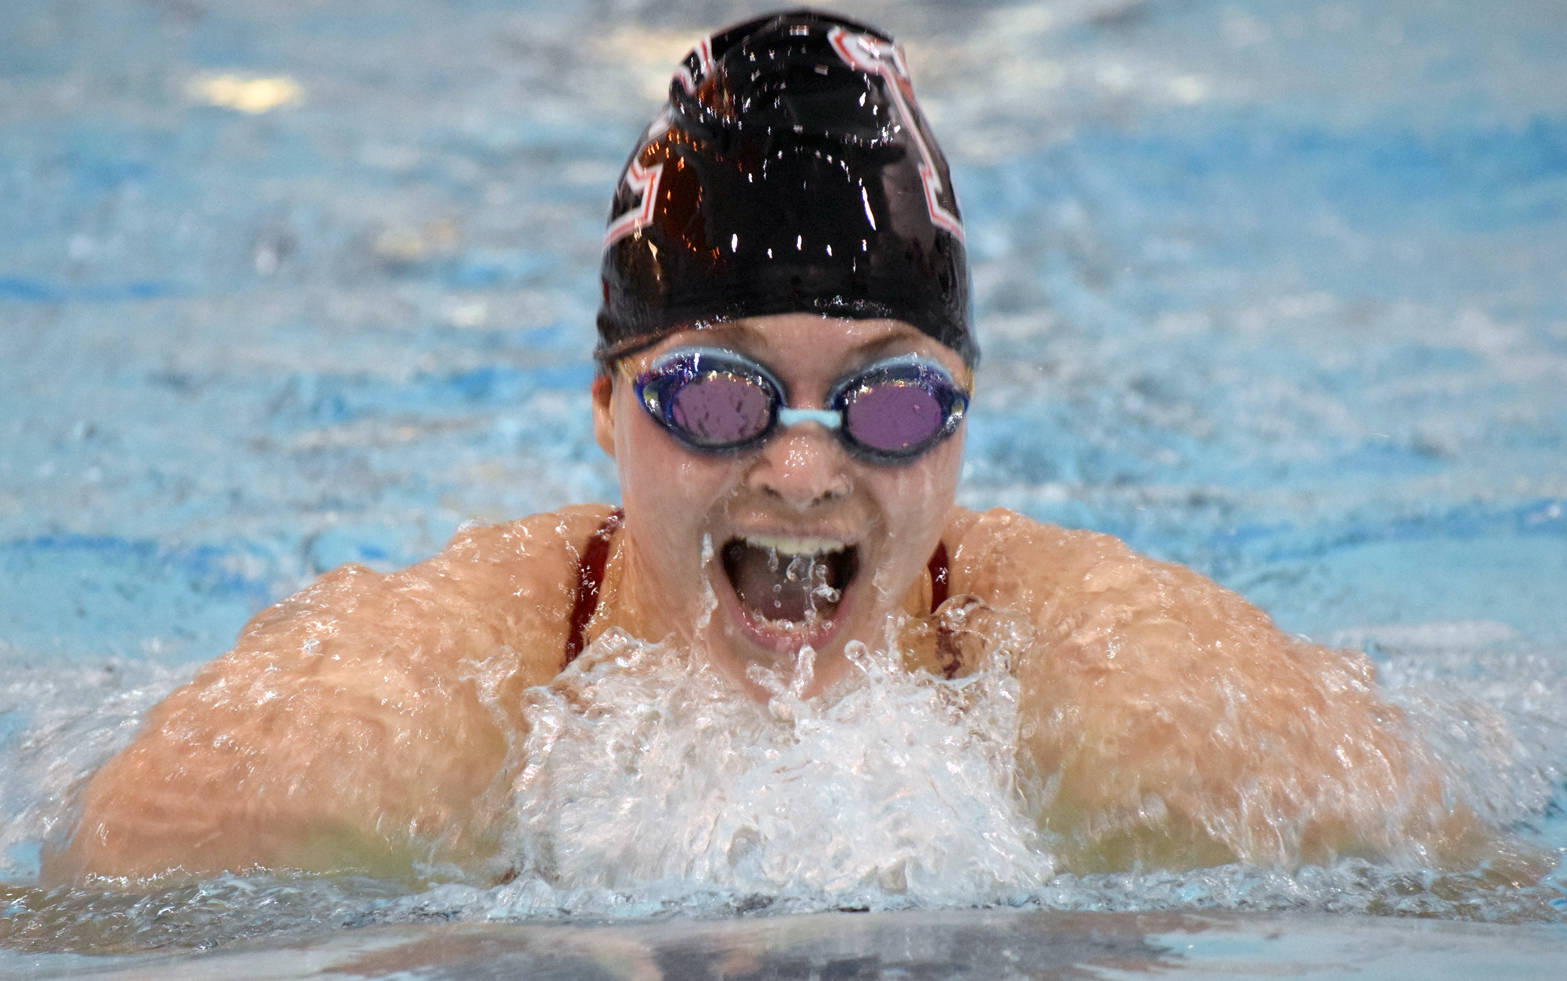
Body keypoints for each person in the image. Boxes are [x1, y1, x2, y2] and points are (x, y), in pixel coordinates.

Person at [45, 9, 1483, 885]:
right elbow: (106, 885)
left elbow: (1467, 883)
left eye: (890, 400)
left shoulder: (1142, 709)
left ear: (969, 417)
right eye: (723, 393)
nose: (803, 470)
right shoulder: (386, 722)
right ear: (610, 407)